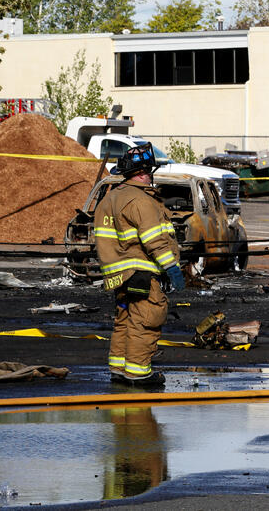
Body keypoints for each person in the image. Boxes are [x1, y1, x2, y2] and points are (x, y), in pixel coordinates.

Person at [95, 143, 185, 387]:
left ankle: (119, 368)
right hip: (142, 273)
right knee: (146, 319)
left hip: (119, 276)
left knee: (124, 319)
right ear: (145, 172)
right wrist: (172, 268)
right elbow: (154, 240)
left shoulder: (110, 198)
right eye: (149, 172)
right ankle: (138, 373)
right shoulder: (141, 200)